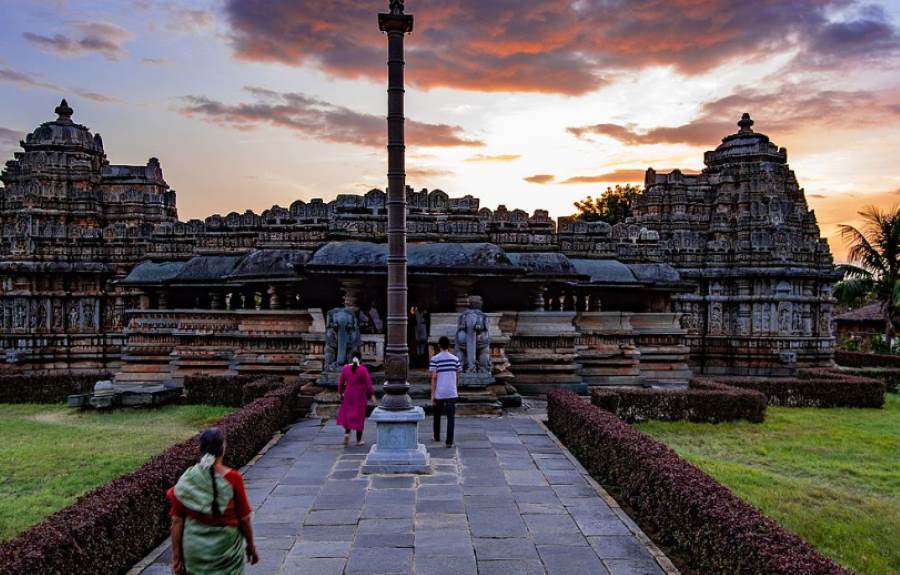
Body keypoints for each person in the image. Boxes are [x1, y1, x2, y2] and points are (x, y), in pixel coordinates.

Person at [168, 427, 259, 575]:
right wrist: (251, 546)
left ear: (199, 449)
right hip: (227, 553)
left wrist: (177, 557)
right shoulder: (233, 479)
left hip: (195, 552)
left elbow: (177, 521)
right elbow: (245, 519)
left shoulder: (188, 480)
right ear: (223, 449)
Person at [336, 350, 375, 447]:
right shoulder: (363, 369)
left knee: (348, 416)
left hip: (348, 395)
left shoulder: (345, 369)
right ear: (360, 359)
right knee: (359, 418)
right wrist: (372, 395)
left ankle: (347, 434)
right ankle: (358, 440)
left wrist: (340, 393)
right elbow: (368, 384)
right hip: (360, 396)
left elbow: (340, 383)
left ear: (350, 358)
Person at [430, 335, 460, 447]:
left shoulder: (435, 359)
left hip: (440, 391)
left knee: (437, 415)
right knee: (451, 417)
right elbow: (457, 376)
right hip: (452, 391)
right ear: (449, 346)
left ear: (439, 346)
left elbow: (433, 378)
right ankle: (449, 441)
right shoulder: (455, 359)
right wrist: (455, 387)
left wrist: (432, 394)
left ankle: (436, 435)